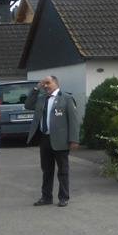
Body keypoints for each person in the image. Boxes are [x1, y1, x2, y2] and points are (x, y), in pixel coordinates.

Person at [25, 75, 79, 207]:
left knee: (63, 170)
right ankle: (46, 197)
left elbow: (73, 121)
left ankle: (63, 197)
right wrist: (36, 88)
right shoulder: (41, 98)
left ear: (55, 83)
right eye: (44, 84)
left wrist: (74, 139)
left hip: (61, 140)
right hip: (44, 138)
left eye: (48, 83)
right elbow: (28, 105)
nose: (45, 86)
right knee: (47, 170)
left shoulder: (66, 98)